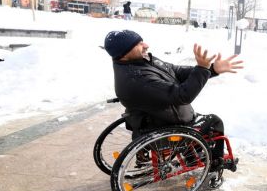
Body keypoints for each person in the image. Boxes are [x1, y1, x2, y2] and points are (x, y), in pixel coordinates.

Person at [103, 30, 244, 170]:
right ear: (124, 53)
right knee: (214, 122)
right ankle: (215, 163)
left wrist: (212, 69)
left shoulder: (139, 61)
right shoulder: (138, 78)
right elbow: (182, 95)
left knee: (200, 125)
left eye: (142, 41)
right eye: (138, 44)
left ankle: (192, 155)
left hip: (156, 119)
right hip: (163, 128)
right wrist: (202, 69)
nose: (146, 45)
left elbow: (175, 71)